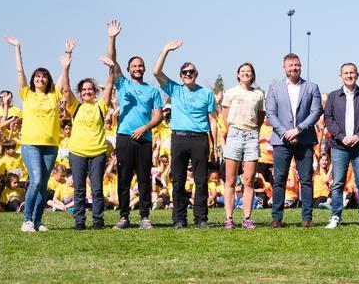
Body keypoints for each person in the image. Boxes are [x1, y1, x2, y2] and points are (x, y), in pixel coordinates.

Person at [3, 35, 73, 232]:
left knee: (43, 185)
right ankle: (26, 220)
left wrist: (67, 57)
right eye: (37, 76)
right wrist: (17, 48)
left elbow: (63, 77)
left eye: (44, 76)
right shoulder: (27, 94)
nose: (40, 79)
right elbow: (20, 70)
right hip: (31, 144)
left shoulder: (54, 95)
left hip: (51, 145)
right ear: (33, 80)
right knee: (36, 180)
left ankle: (38, 221)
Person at [152, 39, 217, 229]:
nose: (188, 74)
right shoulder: (174, 88)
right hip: (179, 138)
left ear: (196, 74)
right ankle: (179, 219)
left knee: (200, 181)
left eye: (191, 72)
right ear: (181, 76)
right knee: (178, 180)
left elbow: (212, 119)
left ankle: (201, 219)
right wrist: (165, 50)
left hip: (200, 138)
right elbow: (156, 72)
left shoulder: (206, 93)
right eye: (185, 72)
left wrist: (213, 143)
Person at [106, 20, 164, 230]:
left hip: (145, 139)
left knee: (144, 178)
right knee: (124, 178)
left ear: (144, 69)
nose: (137, 68)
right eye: (134, 66)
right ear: (129, 69)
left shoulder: (153, 91)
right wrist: (112, 37)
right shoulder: (122, 84)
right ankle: (123, 217)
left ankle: (145, 217)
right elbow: (112, 62)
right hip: (124, 137)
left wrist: (144, 128)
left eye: (140, 66)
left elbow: (158, 116)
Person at [265, 53, 322, 228]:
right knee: (279, 180)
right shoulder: (274, 88)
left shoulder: (312, 87)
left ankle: (306, 218)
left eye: (296, 65)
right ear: (284, 68)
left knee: (305, 180)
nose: (294, 68)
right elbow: (270, 113)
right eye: (290, 65)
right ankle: (277, 218)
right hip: (281, 141)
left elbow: (316, 111)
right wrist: (286, 133)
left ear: (300, 66)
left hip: (304, 139)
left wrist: (298, 130)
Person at [62, 51, 115, 230]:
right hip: (77, 153)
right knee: (79, 190)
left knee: (97, 189)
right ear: (80, 92)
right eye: (83, 90)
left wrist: (110, 68)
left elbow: (109, 85)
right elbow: (66, 89)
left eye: (90, 90)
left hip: (98, 153)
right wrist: (66, 68)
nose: (86, 92)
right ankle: (79, 221)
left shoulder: (100, 106)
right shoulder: (74, 107)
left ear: (94, 92)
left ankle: (98, 220)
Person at [323, 62, 359, 229]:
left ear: (357, 75)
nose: (349, 75)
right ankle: (335, 216)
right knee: (338, 182)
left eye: (352, 73)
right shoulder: (333, 97)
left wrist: (357, 136)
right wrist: (342, 137)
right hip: (339, 146)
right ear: (340, 76)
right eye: (345, 73)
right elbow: (328, 119)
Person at [219, 63, 264, 229]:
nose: (246, 74)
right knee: (230, 180)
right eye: (243, 71)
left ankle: (247, 218)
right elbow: (225, 117)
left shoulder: (258, 94)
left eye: (249, 72)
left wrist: (252, 130)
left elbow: (260, 117)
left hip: (251, 136)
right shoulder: (230, 93)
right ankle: (229, 218)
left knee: (249, 180)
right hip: (234, 136)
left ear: (253, 75)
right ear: (238, 74)